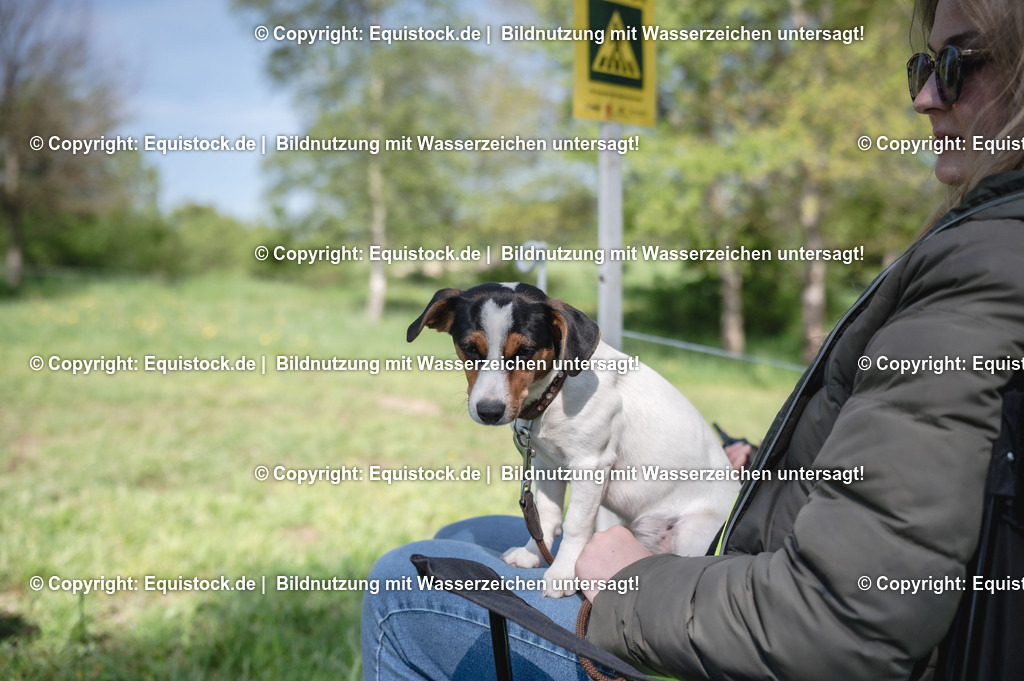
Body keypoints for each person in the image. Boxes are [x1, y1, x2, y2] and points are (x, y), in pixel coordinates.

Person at [361, 0, 1024, 678]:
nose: (922, 96)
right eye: (921, 65)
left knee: (401, 586)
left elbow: (846, 617)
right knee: (463, 537)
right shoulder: (980, 253)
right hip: (751, 555)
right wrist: (763, 466)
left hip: (739, 603)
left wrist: (629, 585)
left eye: (954, 63)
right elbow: (899, 476)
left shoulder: (983, 273)